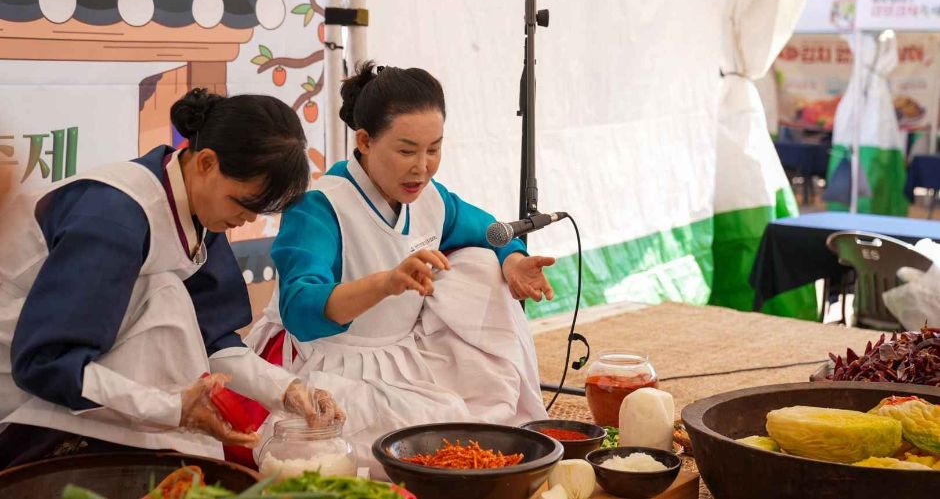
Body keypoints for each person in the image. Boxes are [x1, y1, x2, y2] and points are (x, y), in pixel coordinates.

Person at [0, 88, 343, 470]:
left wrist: (288, 390)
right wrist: (172, 409)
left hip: (78, 373)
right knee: (164, 294)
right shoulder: (115, 218)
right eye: (244, 204)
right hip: (25, 382)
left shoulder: (197, 206)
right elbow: (46, 361)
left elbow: (212, 337)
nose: (247, 220)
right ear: (207, 163)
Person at [247, 61, 553, 474]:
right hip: (329, 363)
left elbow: (486, 230)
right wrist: (386, 283)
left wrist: (513, 259)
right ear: (365, 141)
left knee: (481, 264)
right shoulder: (320, 206)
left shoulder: (430, 199)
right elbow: (301, 310)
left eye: (434, 149)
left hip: (405, 355)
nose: (422, 167)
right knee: (402, 453)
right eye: (407, 150)